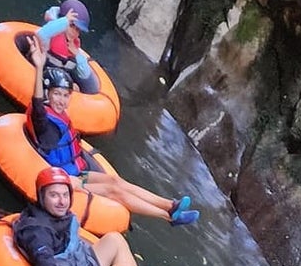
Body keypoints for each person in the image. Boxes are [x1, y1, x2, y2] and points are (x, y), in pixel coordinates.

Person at [28, 46, 199, 226]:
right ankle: (169, 217)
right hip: (64, 180)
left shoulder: (59, 115)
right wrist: (39, 67)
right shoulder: (44, 120)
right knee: (113, 191)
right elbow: (37, 105)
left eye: (65, 95)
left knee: (115, 181)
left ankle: (170, 205)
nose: (61, 100)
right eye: (56, 94)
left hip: (75, 172)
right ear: (48, 94)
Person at [14, 167, 196, 266]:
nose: (62, 201)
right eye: (54, 195)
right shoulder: (37, 231)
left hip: (80, 263)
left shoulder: (56, 214)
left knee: (114, 238)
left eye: (65, 195)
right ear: (42, 196)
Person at [14, 0, 99, 95]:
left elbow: (85, 76)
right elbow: (41, 34)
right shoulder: (50, 37)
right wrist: (65, 21)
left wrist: (77, 55)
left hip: (57, 82)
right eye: (71, 26)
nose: (74, 32)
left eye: (77, 30)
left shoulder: (73, 47)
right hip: (38, 74)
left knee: (75, 87)